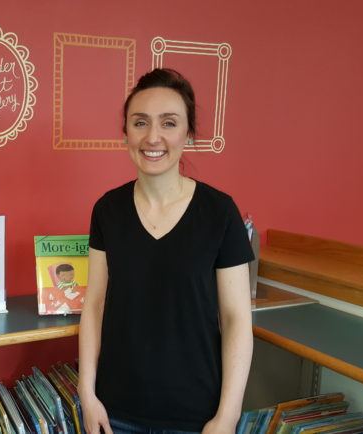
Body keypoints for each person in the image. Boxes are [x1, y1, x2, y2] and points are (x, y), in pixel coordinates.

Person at [79, 68, 254, 434]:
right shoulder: (107, 210)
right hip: (116, 412)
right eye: (140, 122)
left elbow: (237, 318)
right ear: (125, 131)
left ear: (188, 134)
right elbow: (94, 305)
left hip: (198, 416)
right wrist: (87, 393)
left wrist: (228, 415)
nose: (153, 137)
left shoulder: (220, 212)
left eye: (169, 123)